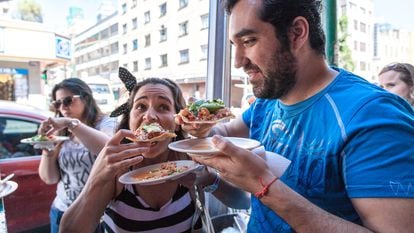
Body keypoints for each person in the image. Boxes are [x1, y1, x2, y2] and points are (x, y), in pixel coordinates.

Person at [176, 0, 414, 232]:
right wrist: (202, 129)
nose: (238, 62)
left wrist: (263, 185)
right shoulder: (268, 100)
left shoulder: (374, 116)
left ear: (297, 33)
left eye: (249, 41)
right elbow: (224, 133)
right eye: (234, 45)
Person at [59, 69, 248, 233]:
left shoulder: (189, 159)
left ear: (177, 122)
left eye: (163, 107)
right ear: (129, 120)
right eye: (140, 106)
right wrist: (97, 179)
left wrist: (208, 179)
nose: (149, 116)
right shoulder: (116, 168)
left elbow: (242, 203)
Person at [37, 78, 117, 233]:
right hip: (62, 209)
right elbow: (49, 178)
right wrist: (47, 149)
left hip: (100, 212)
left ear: (85, 98)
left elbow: (107, 149)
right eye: (57, 103)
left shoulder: (106, 123)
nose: (62, 107)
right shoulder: (59, 132)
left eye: (67, 100)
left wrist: (70, 123)